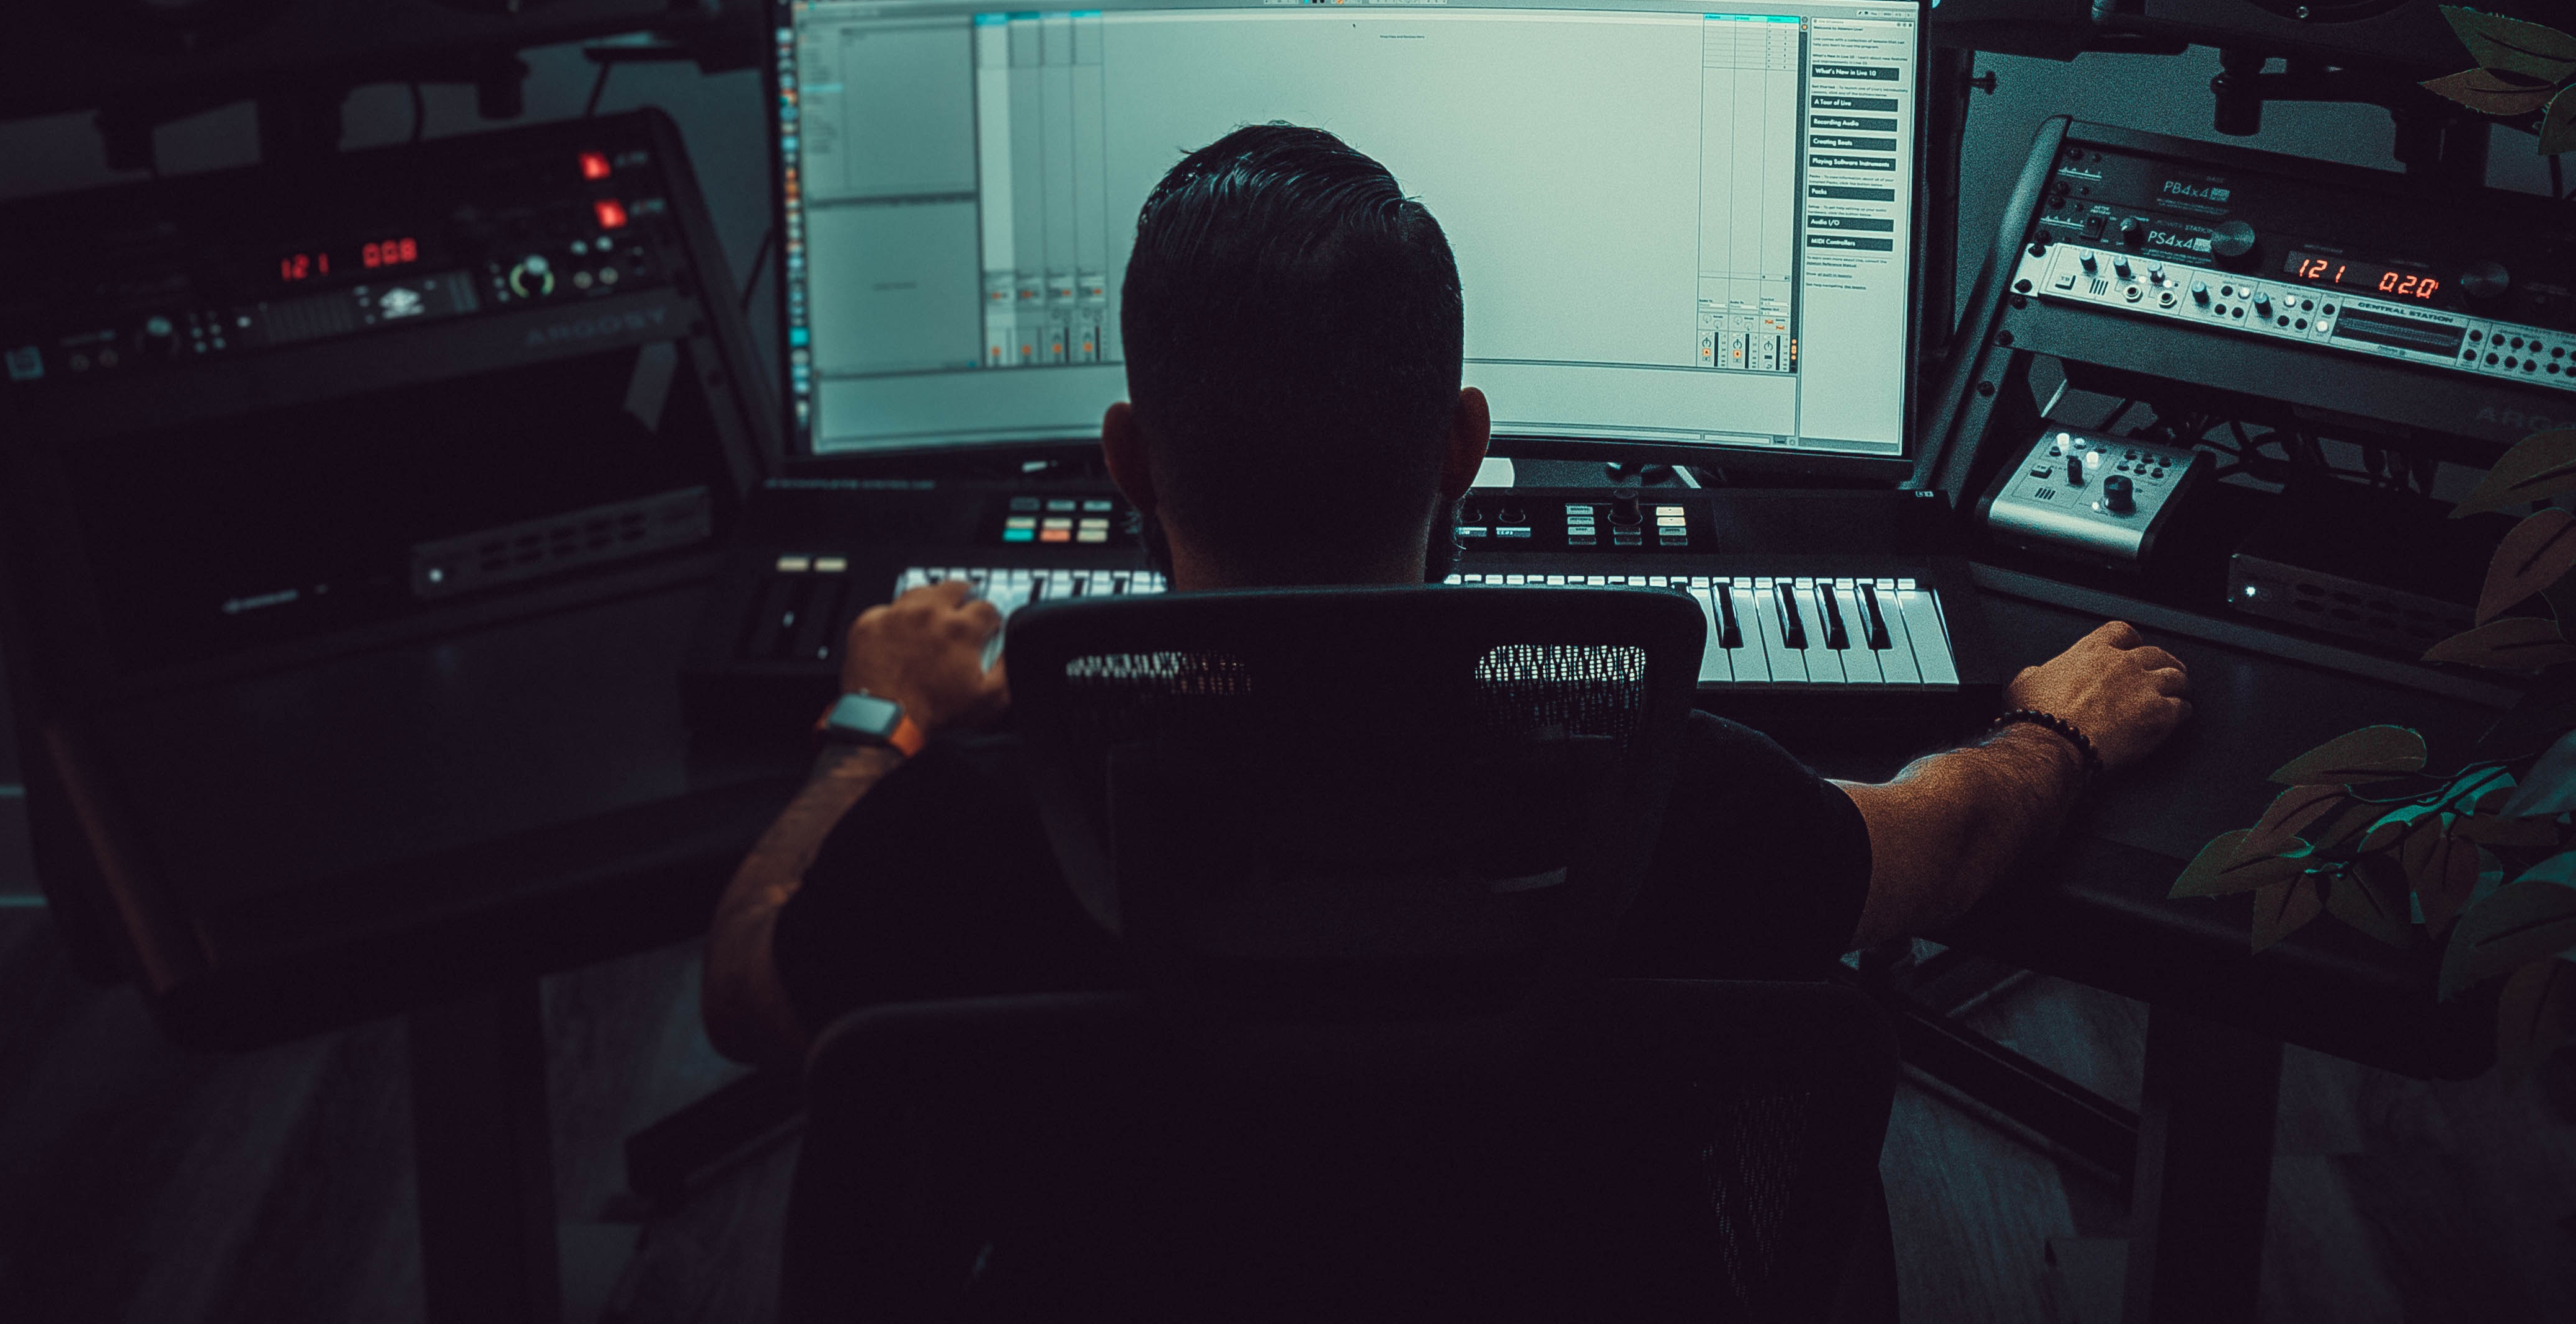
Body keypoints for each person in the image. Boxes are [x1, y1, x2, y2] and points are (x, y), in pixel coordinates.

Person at [703, 123, 2190, 1068]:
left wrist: (868, 724)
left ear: (1128, 461)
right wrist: (2049, 735)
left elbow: (751, 991)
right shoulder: (1660, 788)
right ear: (1465, 445)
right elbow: (1936, 847)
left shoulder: (986, 819)